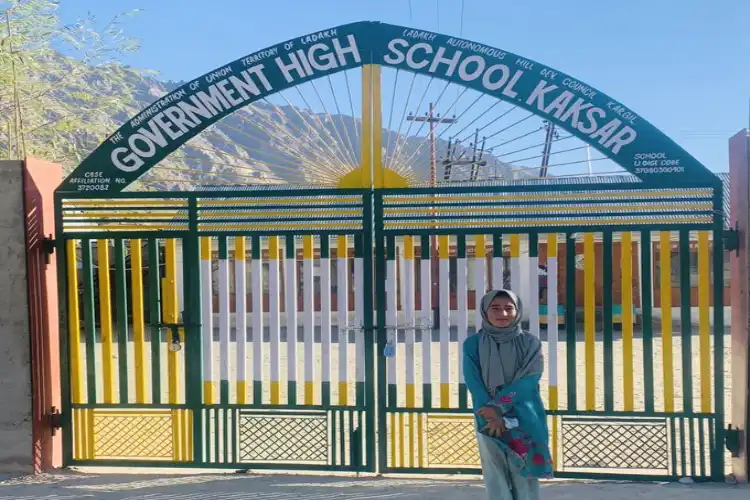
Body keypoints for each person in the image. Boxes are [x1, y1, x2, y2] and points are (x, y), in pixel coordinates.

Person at [462, 289, 552, 499]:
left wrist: (498, 407)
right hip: (486, 414)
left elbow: (530, 378)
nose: (502, 313)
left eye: (508, 308)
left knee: (524, 468)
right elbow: (474, 382)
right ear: (485, 311)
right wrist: (491, 413)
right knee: (495, 469)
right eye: (495, 308)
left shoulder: (530, 343)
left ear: (517, 311)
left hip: (525, 412)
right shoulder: (472, 344)